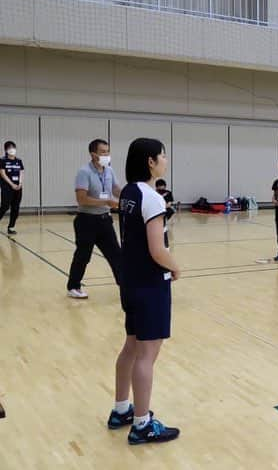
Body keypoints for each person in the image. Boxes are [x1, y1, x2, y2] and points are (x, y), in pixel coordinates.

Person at [111, 137, 180, 445]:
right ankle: (141, 424)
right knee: (146, 354)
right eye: (162, 156)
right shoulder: (151, 198)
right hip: (151, 283)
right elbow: (157, 249)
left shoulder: (127, 192)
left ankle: (121, 409)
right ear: (151, 162)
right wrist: (175, 266)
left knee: (131, 346)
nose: (165, 159)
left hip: (130, 280)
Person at [68, 139, 123, 299]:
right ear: (93, 154)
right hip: (86, 221)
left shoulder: (109, 171)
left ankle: (124, 284)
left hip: (105, 220)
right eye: (103, 152)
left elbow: (116, 189)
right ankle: (73, 286)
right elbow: (82, 199)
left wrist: (130, 196)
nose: (107, 155)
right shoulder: (84, 172)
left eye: (108, 151)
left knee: (116, 254)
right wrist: (106, 201)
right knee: (83, 255)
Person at [0, 141, 25, 235]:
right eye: (9, 148)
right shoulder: (2, 160)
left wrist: (20, 183)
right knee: (5, 206)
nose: (12, 150)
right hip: (7, 186)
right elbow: (2, 173)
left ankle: (11, 227)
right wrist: (11, 184)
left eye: (13, 147)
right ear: (6, 150)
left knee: (16, 208)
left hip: (18, 187)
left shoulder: (18, 161)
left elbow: (21, 172)